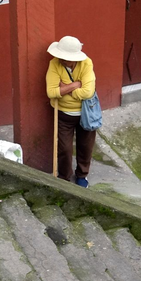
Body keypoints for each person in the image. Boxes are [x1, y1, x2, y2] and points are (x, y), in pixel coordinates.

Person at [45, 35, 96, 187]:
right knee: (64, 149)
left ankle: (82, 175)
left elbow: (88, 92)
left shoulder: (86, 64)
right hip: (63, 113)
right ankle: (64, 177)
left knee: (85, 146)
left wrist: (65, 88)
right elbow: (51, 92)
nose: (61, 59)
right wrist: (75, 85)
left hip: (86, 113)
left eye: (65, 58)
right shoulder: (54, 64)